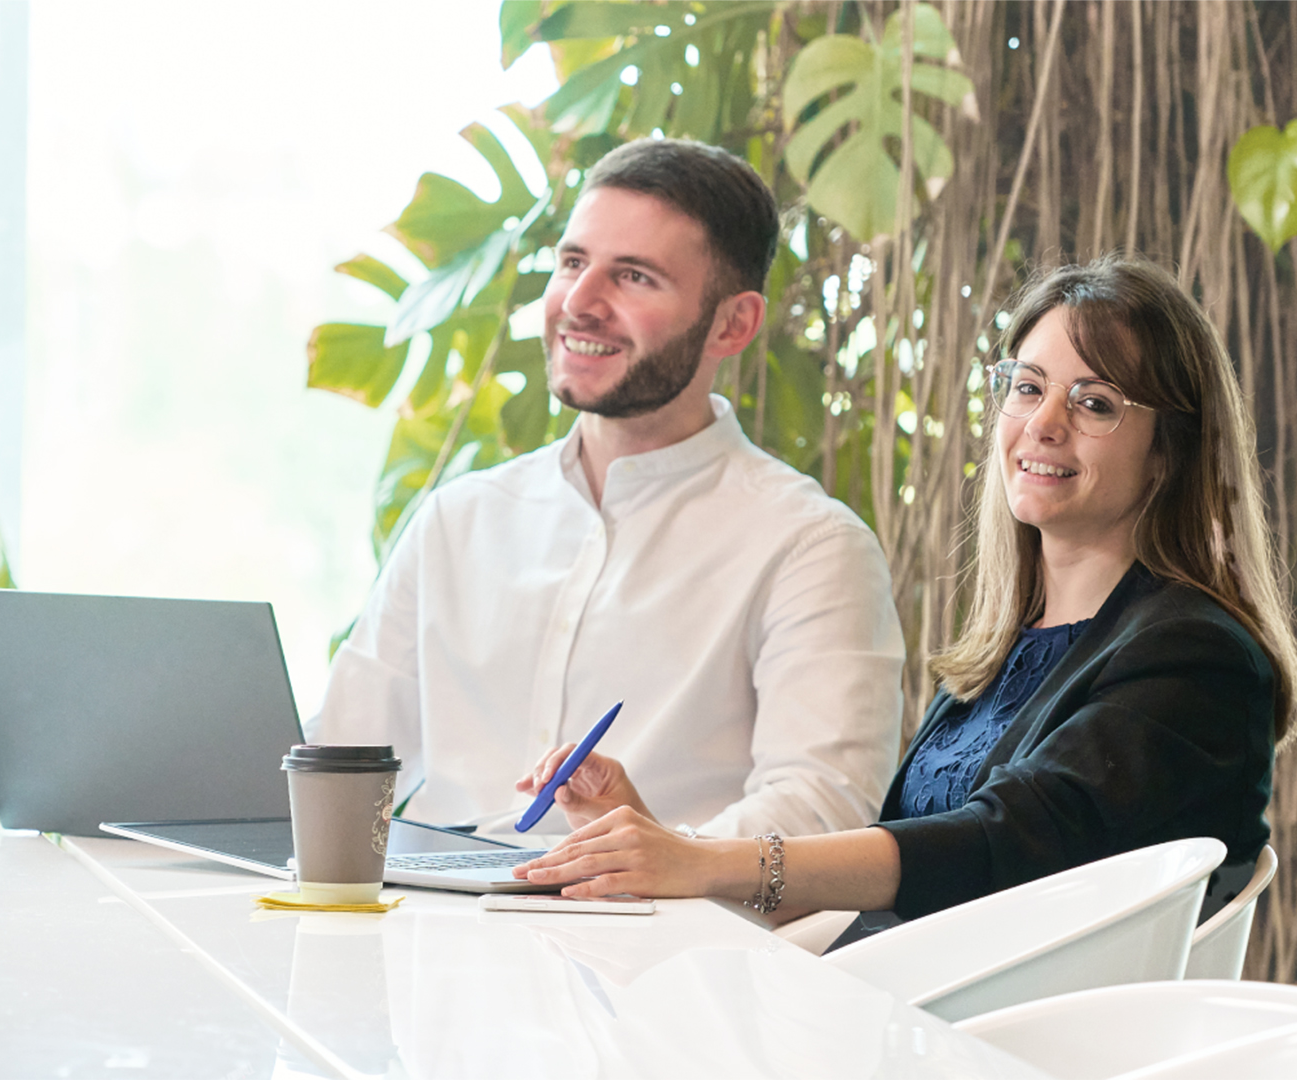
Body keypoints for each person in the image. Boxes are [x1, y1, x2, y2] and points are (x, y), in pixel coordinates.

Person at [513, 257, 1297, 926]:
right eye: (1027, 387)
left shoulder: (1196, 657)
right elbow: (892, 886)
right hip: (900, 1010)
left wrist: (704, 862)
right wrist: (648, 845)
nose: (1043, 423)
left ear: (1171, 451)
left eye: (1095, 403)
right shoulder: (1012, 648)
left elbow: (998, 848)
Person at [309, 139, 905, 838]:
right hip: (429, 928)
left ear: (733, 324)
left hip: (655, 937)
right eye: (571, 263)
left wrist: (657, 858)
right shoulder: (458, 520)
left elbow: (821, 813)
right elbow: (339, 761)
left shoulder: (810, 547)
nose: (580, 303)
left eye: (634, 277)